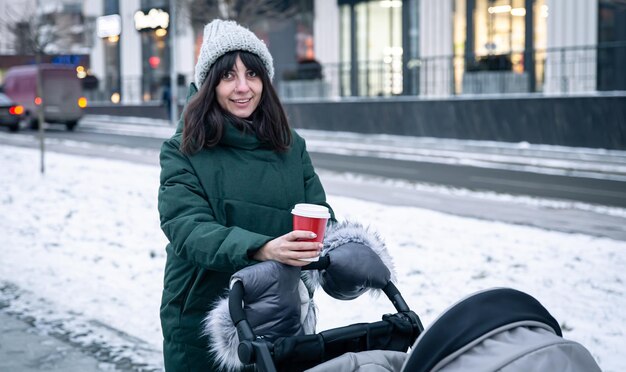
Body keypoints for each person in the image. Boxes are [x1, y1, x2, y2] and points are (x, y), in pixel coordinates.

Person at [157, 19, 335, 370]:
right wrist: (261, 248)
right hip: (204, 311)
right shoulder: (183, 149)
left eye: (252, 75)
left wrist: (340, 247)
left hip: (280, 309)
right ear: (208, 84)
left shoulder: (290, 145)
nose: (242, 88)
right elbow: (186, 228)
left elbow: (318, 210)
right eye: (228, 77)